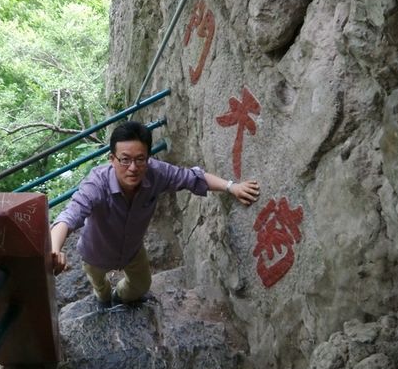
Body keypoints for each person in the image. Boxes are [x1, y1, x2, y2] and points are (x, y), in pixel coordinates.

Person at [50, 120, 260, 306]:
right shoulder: (96, 183)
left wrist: (232, 187)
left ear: (148, 158)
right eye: (125, 159)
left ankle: (120, 297)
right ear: (112, 159)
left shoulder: (156, 172)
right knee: (100, 289)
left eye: (140, 159)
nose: (133, 167)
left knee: (141, 286)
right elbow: (70, 215)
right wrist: (54, 249)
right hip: (96, 251)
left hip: (132, 249)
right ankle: (104, 298)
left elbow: (193, 178)